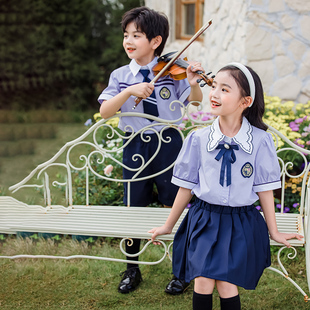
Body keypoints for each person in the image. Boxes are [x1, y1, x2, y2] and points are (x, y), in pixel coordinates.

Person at [148, 62, 303, 309]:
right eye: (214, 86)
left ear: (245, 101)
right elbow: (186, 187)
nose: (214, 94)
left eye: (225, 89)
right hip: (203, 220)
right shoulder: (198, 138)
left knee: (226, 283)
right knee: (202, 281)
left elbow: (265, 189)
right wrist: (168, 225)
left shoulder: (260, 141)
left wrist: (274, 231)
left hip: (240, 222)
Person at [98, 6, 204, 294]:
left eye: (137, 35)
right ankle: (132, 270)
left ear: (156, 42)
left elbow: (193, 104)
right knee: (133, 207)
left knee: (178, 205)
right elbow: (106, 111)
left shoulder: (172, 72)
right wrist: (129, 91)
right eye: (126, 35)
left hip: (169, 144)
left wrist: (193, 83)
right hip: (135, 145)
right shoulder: (121, 75)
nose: (128, 41)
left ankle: (182, 270)